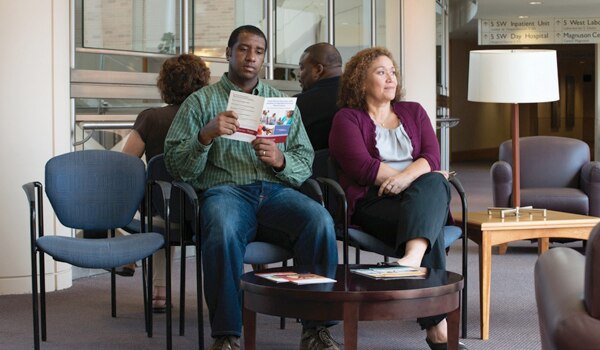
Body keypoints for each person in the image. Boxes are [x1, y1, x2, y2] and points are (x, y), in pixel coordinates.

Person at [163, 25, 339, 350]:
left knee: (320, 221)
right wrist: (205, 136)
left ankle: (316, 330)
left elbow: (304, 160)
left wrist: (280, 159)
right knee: (223, 227)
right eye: (244, 49)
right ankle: (228, 335)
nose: (251, 57)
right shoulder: (200, 102)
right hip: (225, 190)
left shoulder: (280, 103)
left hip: (274, 192)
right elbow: (176, 164)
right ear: (228, 53)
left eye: (258, 52)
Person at [328, 47, 468, 350]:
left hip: (419, 199)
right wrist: (419, 180)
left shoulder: (413, 111)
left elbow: (431, 156)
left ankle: (411, 261)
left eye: (392, 71)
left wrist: (408, 179)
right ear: (360, 82)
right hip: (374, 202)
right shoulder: (347, 119)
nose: (390, 78)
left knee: (433, 183)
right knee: (433, 191)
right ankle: (437, 328)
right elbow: (363, 168)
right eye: (381, 72)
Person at [121, 53, 211, 313]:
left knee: (159, 204)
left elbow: (127, 164)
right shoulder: (212, 121)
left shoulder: (151, 118)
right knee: (167, 204)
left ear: (164, 84)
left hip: (163, 212)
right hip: (204, 210)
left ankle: (159, 295)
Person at [295, 43, 342, 151]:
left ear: (318, 70)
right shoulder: (359, 97)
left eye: (302, 68)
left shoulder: (299, 104)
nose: (299, 74)